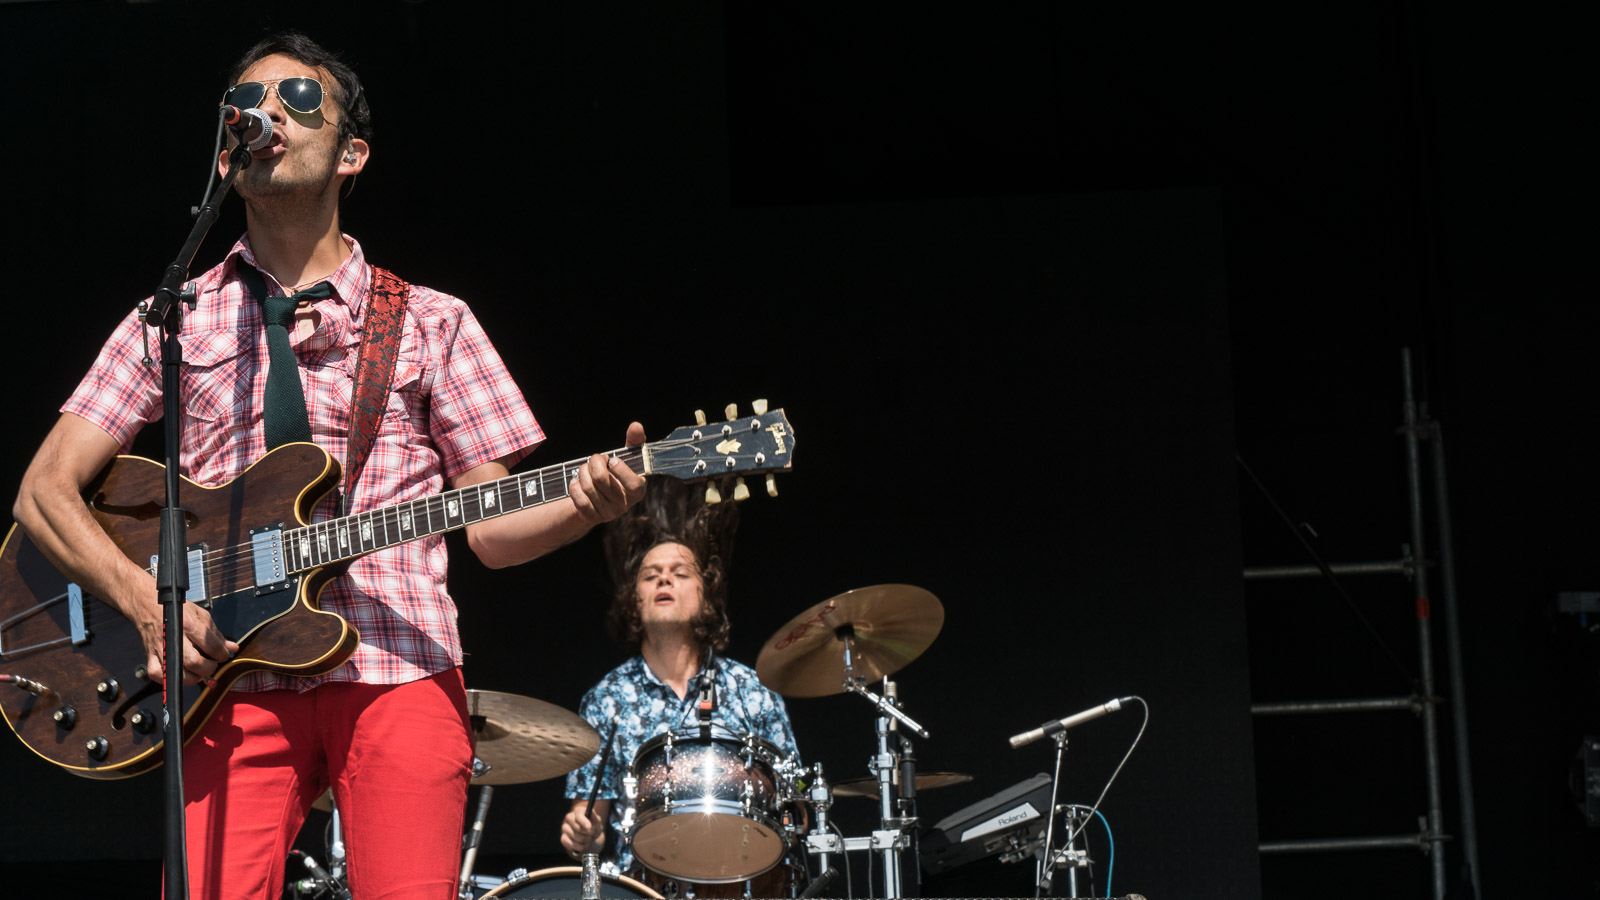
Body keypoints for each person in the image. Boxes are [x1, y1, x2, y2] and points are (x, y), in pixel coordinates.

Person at [10, 32, 645, 900]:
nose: (264, 113)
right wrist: (145, 605)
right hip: (225, 675)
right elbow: (44, 491)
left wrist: (583, 506)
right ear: (225, 153)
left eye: (299, 100)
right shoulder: (171, 317)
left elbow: (492, 532)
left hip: (397, 665)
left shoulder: (432, 321)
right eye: (243, 103)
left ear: (352, 154)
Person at [559, 480, 800, 882]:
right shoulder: (605, 699)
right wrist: (583, 835)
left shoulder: (753, 690)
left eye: (680, 573)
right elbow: (589, 827)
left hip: (739, 879)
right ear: (634, 600)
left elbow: (795, 808)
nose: (664, 580)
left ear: (706, 597)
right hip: (642, 885)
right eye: (650, 575)